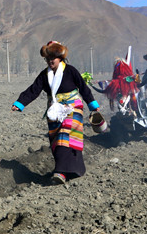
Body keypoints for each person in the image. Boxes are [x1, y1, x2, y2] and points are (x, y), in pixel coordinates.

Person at [11, 41, 100, 185]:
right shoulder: (44, 75)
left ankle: (60, 172)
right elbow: (34, 90)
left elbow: (83, 88)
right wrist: (20, 103)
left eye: (53, 58)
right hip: (54, 110)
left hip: (72, 107)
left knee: (64, 135)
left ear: (60, 58)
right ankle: (75, 169)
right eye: (47, 58)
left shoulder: (70, 71)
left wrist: (93, 105)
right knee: (56, 140)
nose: (50, 61)